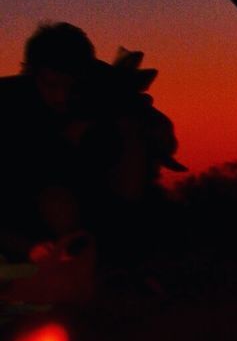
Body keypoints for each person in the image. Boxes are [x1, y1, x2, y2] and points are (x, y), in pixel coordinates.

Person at [0, 23, 182, 261]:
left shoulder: (107, 88)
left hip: (100, 198)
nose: (60, 96)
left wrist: (119, 121)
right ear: (33, 74)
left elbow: (165, 139)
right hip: (26, 202)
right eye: (51, 85)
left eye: (69, 86)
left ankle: (119, 248)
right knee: (54, 202)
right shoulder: (9, 100)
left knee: (130, 132)